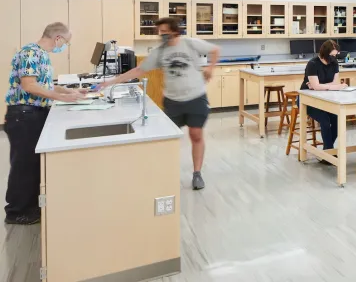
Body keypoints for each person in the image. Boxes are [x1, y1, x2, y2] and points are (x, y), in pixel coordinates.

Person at [98, 17, 220, 190]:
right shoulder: (160, 51)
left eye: (164, 31)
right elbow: (139, 70)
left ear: (174, 30)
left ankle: (197, 173)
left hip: (195, 97)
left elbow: (215, 50)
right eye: (159, 32)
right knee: (167, 138)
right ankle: (164, 173)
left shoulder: (190, 43)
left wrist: (210, 68)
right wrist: (112, 81)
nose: (161, 35)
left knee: (196, 135)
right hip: (172, 101)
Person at [4, 23, 84, 225]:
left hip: (34, 114)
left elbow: (45, 84)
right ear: (58, 38)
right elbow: (29, 85)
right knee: (24, 165)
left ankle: (31, 207)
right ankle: (16, 212)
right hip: (24, 115)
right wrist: (60, 98)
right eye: (65, 42)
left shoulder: (41, 54)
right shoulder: (30, 52)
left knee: (32, 164)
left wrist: (69, 92)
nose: (64, 46)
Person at [301, 40, 347, 156]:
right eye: (332, 55)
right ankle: (329, 153)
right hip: (307, 100)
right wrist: (333, 86)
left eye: (335, 55)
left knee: (337, 120)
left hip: (327, 98)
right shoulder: (313, 64)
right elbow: (320, 86)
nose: (334, 58)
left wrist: (321, 86)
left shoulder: (334, 63)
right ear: (324, 53)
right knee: (325, 120)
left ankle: (327, 151)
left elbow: (333, 82)